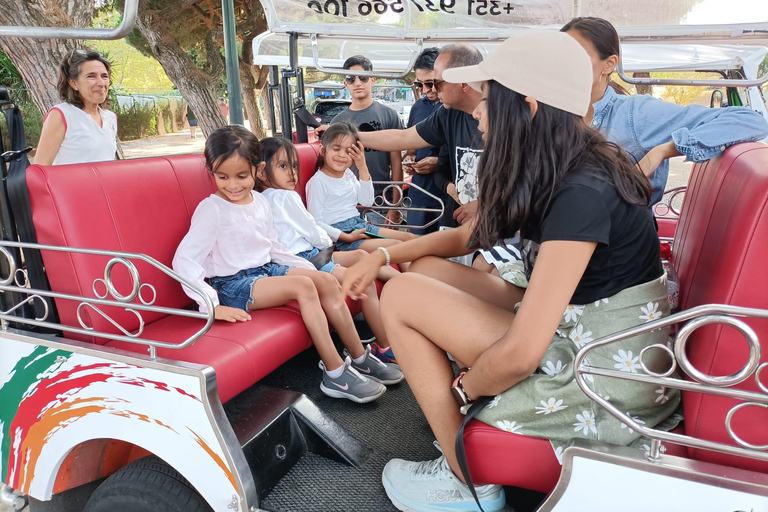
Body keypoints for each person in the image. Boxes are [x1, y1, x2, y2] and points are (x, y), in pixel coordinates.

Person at [339, 31, 681, 511]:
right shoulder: (567, 161)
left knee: (401, 297)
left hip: (600, 369)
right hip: (581, 325)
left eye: (487, 99)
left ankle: (466, 475)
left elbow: (521, 354)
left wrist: (467, 390)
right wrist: (382, 255)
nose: (476, 112)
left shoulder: (581, 189)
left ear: (530, 106)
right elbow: (467, 238)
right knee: (428, 269)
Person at [172, 125, 394, 403]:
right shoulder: (212, 209)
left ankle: (360, 357)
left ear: (258, 169)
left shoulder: (259, 202)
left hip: (264, 271)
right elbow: (185, 259)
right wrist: (212, 306)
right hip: (232, 285)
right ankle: (336, 374)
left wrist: (311, 269)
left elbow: (273, 247)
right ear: (212, 172)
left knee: (324, 279)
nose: (233, 185)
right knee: (303, 286)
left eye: (242, 176)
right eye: (222, 176)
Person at [561, 17, 768, 207]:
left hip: (615, 238)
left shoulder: (634, 114)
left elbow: (750, 120)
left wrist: (663, 150)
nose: (566, 64)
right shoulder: (553, 112)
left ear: (609, 64)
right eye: (561, 55)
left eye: (577, 55)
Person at [258, 136, 403, 366]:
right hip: (307, 257)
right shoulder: (283, 196)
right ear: (262, 173)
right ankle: (385, 346)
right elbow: (311, 228)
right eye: (283, 166)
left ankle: (402, 290)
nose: (292, 173)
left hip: (309, 253)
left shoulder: (262, 198)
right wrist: (330, 240)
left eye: (294, 166)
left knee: (361, 257)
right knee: (363, 277)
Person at [306, 122, 416, 276]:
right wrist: (346, 236)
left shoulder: (349, 175)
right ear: (323, 150)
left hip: (359, 225)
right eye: (336, 149)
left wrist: (362, 167)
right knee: (397, 246)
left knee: (410, 238)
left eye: (348, 151)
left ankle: (421, 280)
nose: (342, 156)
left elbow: (366, 202)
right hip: (341, 235)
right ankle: (412, 283)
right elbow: (316, 222)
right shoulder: (318, 182)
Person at [330, 55, 404, 225]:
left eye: (362, 78)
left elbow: (396, 164)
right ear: (345, 83)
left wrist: (396, 207)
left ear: (372, 80)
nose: (357, 83)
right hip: (347, 205)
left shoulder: (389, 115)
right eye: (351, 78)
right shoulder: (337, 122)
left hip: (382, 203)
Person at [35, 49, 118, 166]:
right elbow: (40, 168)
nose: (101, 83)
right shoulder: (61, 114)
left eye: (104, 76)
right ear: (74, 83)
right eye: (91, 76)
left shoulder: (110, 117)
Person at [403, 48, 443, 235]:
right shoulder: (418, 106)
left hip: (448, 196)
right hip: (420, 193)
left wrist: (438, 162)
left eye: (430, 83)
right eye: (420, 84)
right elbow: (410, 147)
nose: (425, 90)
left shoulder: (458, 108)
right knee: (416, 248)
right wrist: (410, 160)